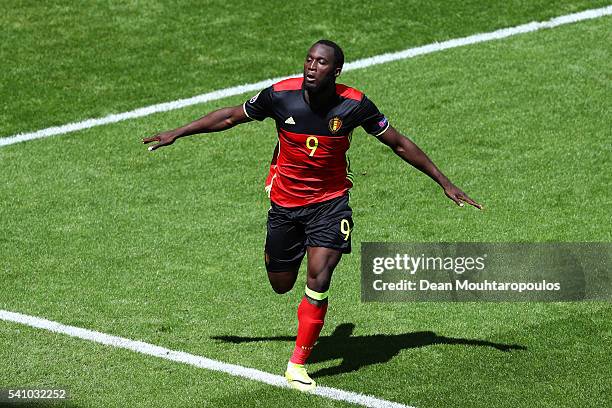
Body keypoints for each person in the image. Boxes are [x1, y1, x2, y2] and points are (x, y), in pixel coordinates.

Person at [143, 39, 481, 392]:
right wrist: (177, 133)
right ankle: (280, 254)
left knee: (319, 277)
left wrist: (444, 182)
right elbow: (229, 116)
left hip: (330, 203)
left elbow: (397, 143)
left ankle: (297, 365)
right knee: (281, 284)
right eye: (308, 60)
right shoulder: (279, 96)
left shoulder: (355, 105)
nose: (311, 67)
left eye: (320, 63)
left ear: (335, 72)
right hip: (286, 206)